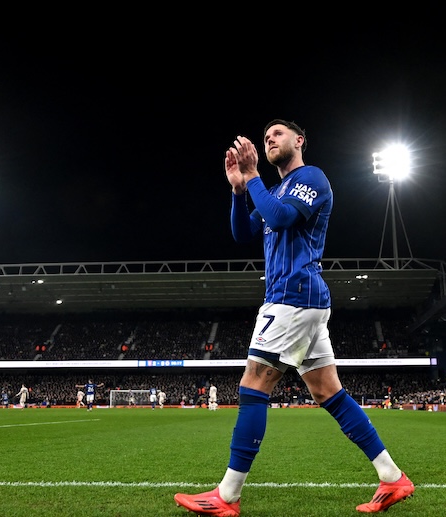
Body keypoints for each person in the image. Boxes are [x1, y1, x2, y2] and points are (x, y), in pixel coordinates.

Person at [174, 120, 414, 516]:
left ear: (299, 141)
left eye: (278, 134)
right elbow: (242, 233)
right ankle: (392, 478)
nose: (270, 139)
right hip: (300, 300)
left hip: (292, 297)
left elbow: (283, 219)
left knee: (253, 386)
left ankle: (227, 496)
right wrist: (239, 191)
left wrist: (251, 177)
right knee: (328, 393)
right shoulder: (273, 191)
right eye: (266, 136)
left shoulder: (311, 178)